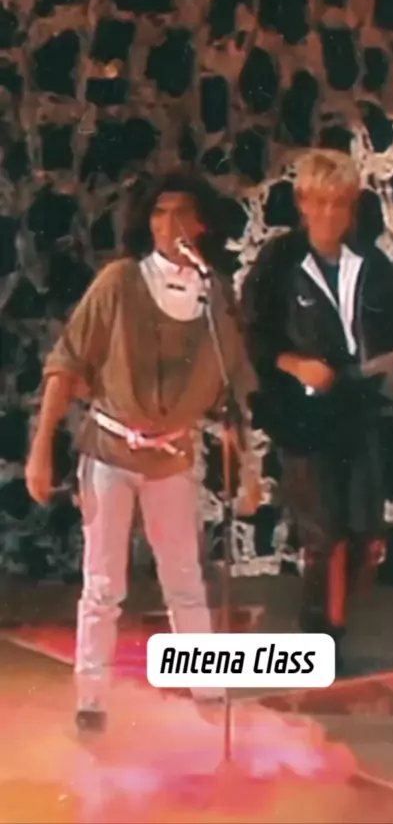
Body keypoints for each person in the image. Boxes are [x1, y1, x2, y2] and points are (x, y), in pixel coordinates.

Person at [25, 169, 260, 732]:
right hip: (109, 450)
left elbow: (231, 395)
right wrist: (41, 449)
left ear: (201, 225)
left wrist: (248, 469)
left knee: (185, 578)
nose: (168, 224)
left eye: (181, 213)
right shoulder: (120, 282)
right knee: (104, 584)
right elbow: (67, 362)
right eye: (158, 212)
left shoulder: (213, 297)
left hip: (172, 456)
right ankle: (91, 699)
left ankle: (208, 692)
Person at [241, 148, 393, 670]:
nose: (330, 214)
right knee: (324, 533)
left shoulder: (370, 264)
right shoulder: (280, 262)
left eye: (340, 204)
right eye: (320, 202)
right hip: (303, 419)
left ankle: (336, 623)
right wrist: (294, 364)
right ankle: (321, 640)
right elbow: (253, 334)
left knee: (365, 530)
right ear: (303, 203)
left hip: (358, 411)